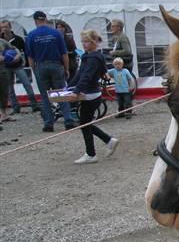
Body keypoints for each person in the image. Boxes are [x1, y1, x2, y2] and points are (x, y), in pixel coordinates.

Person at [68, 30, 119, 164]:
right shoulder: (90, 56)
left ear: (94, 42)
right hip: (90, 93)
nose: (84, 44)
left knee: (85, 123)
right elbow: (81, 74)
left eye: (86, 42)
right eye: (83, 42)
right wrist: (68, 88)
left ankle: (91, 153)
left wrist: (76, 90)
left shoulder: (93, 58)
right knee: (85, 123)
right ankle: (108, 141)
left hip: (90, 94)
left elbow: (86, 76)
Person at [25, 10, 76, 132]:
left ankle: (48, 123)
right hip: (56, 65)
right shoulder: (56, 33)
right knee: (61, 93)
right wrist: (66, 68)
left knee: (45, 96)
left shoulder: (31, 35)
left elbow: (30, 57)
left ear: (35, 20)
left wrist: (35, 70)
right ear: (45, 19)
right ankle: (68, 120)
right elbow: (64, 54)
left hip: (41, 66)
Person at [0, 20, 39, 114]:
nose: (4, 29)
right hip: (5, 67)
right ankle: (15, 107)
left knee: (27, 84)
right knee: (10, 88)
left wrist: (19, 57)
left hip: (17, 66)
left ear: (10, 27)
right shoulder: (1, 39)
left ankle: (34, 105)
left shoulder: (18, 39)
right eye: (2, 27)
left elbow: (22, 51)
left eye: (6, 27)